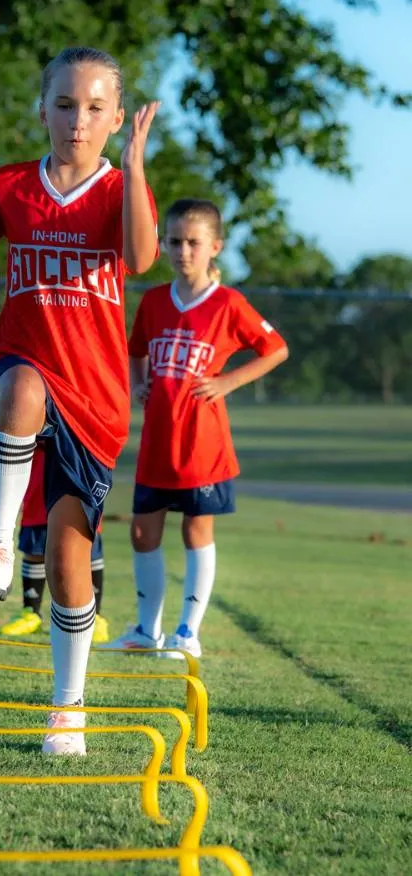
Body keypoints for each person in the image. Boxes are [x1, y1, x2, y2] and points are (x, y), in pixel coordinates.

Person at [0, 46, 159, 755]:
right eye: (63, 104)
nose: (76, 121)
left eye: (93, 108)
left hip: (96, 398)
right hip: (20, 363)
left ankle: (67, 707)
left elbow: (141, 258)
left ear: (115, 117)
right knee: (21, 388)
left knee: (66, 555)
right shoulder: (11, 185)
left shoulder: (118, 192)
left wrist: (138, 166)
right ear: (42, 108)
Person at [105, 198, 288, 659]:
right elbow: (137, 349)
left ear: (215, 247)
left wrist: (228, 381)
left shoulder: (228, 303)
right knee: (143, 533)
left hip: (203, 445)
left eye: (193, 242)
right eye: (174, 241)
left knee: (195, 531)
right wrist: (141, 383)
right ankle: (148, 630)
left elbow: (275, 349)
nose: (183, 251)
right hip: (157, 443)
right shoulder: (152, 301)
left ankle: (188, 632)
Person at [1, 446, 110, 643]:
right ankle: (30, 612)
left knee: (87, 549)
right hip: (39, 479)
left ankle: (97, 617)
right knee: (35, 547)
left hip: (81, 474)